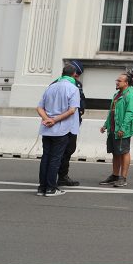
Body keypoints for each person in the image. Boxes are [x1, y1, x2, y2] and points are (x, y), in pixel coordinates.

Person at [36, 63, 81, 197]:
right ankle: (50, 188)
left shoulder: (51, 87)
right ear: (74, 75)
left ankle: (42, 187)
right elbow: (72, 110)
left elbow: (39, 107)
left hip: (47, 128)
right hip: (62, 129)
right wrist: (54, 120)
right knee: (55, 159)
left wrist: (47, 119)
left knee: (46, 158)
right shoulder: (73, 89)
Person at [99, 72, 133, 187]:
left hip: (123, 129)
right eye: (116, 80)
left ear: (126, 83)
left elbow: (130, 113)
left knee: (124, 152)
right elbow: (111, 112)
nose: (117, 82)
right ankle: (115, 176)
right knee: (115, 152)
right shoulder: (117, 95)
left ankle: (123, 177)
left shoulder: (131, 96)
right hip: (113, 128)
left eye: (119, 81)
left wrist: (123, 128)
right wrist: (105, 125)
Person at [56, 60, 85, 188]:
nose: (77, 76)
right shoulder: (58, 84)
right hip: (62, 122)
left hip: (72, 123)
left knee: (69, 150)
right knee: (59, 152)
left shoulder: (76, 84)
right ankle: (57, 176)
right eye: (76, 73)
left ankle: (62, 176)